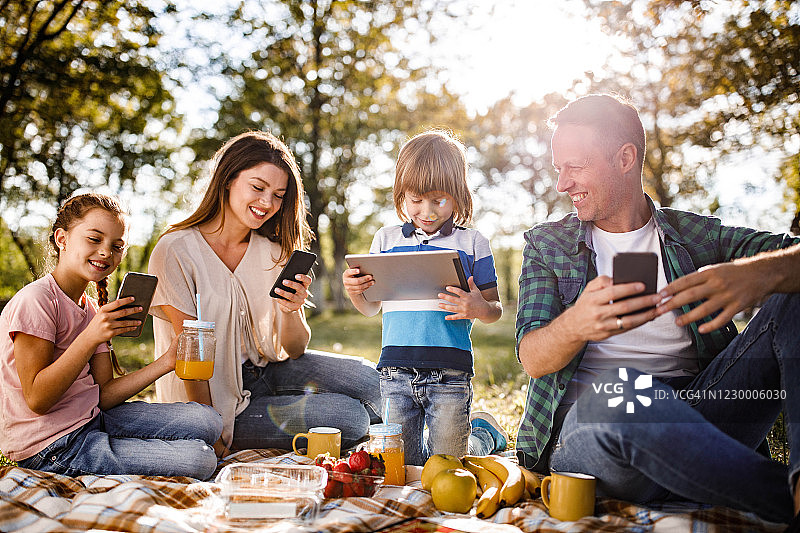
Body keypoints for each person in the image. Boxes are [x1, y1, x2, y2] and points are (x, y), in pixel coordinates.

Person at [514, 93, 800, 524]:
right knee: (619, 390)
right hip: (597, 435)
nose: (562, 184)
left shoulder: (698, 236)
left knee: (792, 290)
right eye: (559, 169)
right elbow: (532, 358)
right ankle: (783, 498)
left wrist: (756, 275)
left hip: (702, 415)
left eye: (575, 166)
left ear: (625, 158)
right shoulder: (547, 245)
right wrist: (576, 324)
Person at [148, 131, 381, 457]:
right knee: (349, 418)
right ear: (228, 179)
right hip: (215, 400)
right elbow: (189, 356)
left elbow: (295, 349)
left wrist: (290, 310)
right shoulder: (176, 249)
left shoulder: (274, 252)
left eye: (278, 195)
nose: (267, 204)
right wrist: (209, 431)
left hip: (267, 371)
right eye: (258, 188)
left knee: (373, 380)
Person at [0, 193, 222, 479]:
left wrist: (167, 362)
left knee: (208, 421)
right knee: (200, 459)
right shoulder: (37, 301)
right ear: (62, 239)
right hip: (52, 446)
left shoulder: (93, 309)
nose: (106, 252)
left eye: (117, 246)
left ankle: (121, 447)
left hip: (92, 419)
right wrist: (90, 337)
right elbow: (37, 400)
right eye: (94, 239)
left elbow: (103, 395)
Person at [343, 130, 508, 466]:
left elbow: (495, 309)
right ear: (401, 194)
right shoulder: (385, 239)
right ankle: (474, 437)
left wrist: (478, 308)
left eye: (438, 200)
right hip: (394, 373)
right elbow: (370, 308)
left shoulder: (473, 242)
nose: (427, 211)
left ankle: (483, 436)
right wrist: (356, 292)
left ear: (458, 195)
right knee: (401, 466)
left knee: (447, 464)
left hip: (450, 374)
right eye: (416, 200)